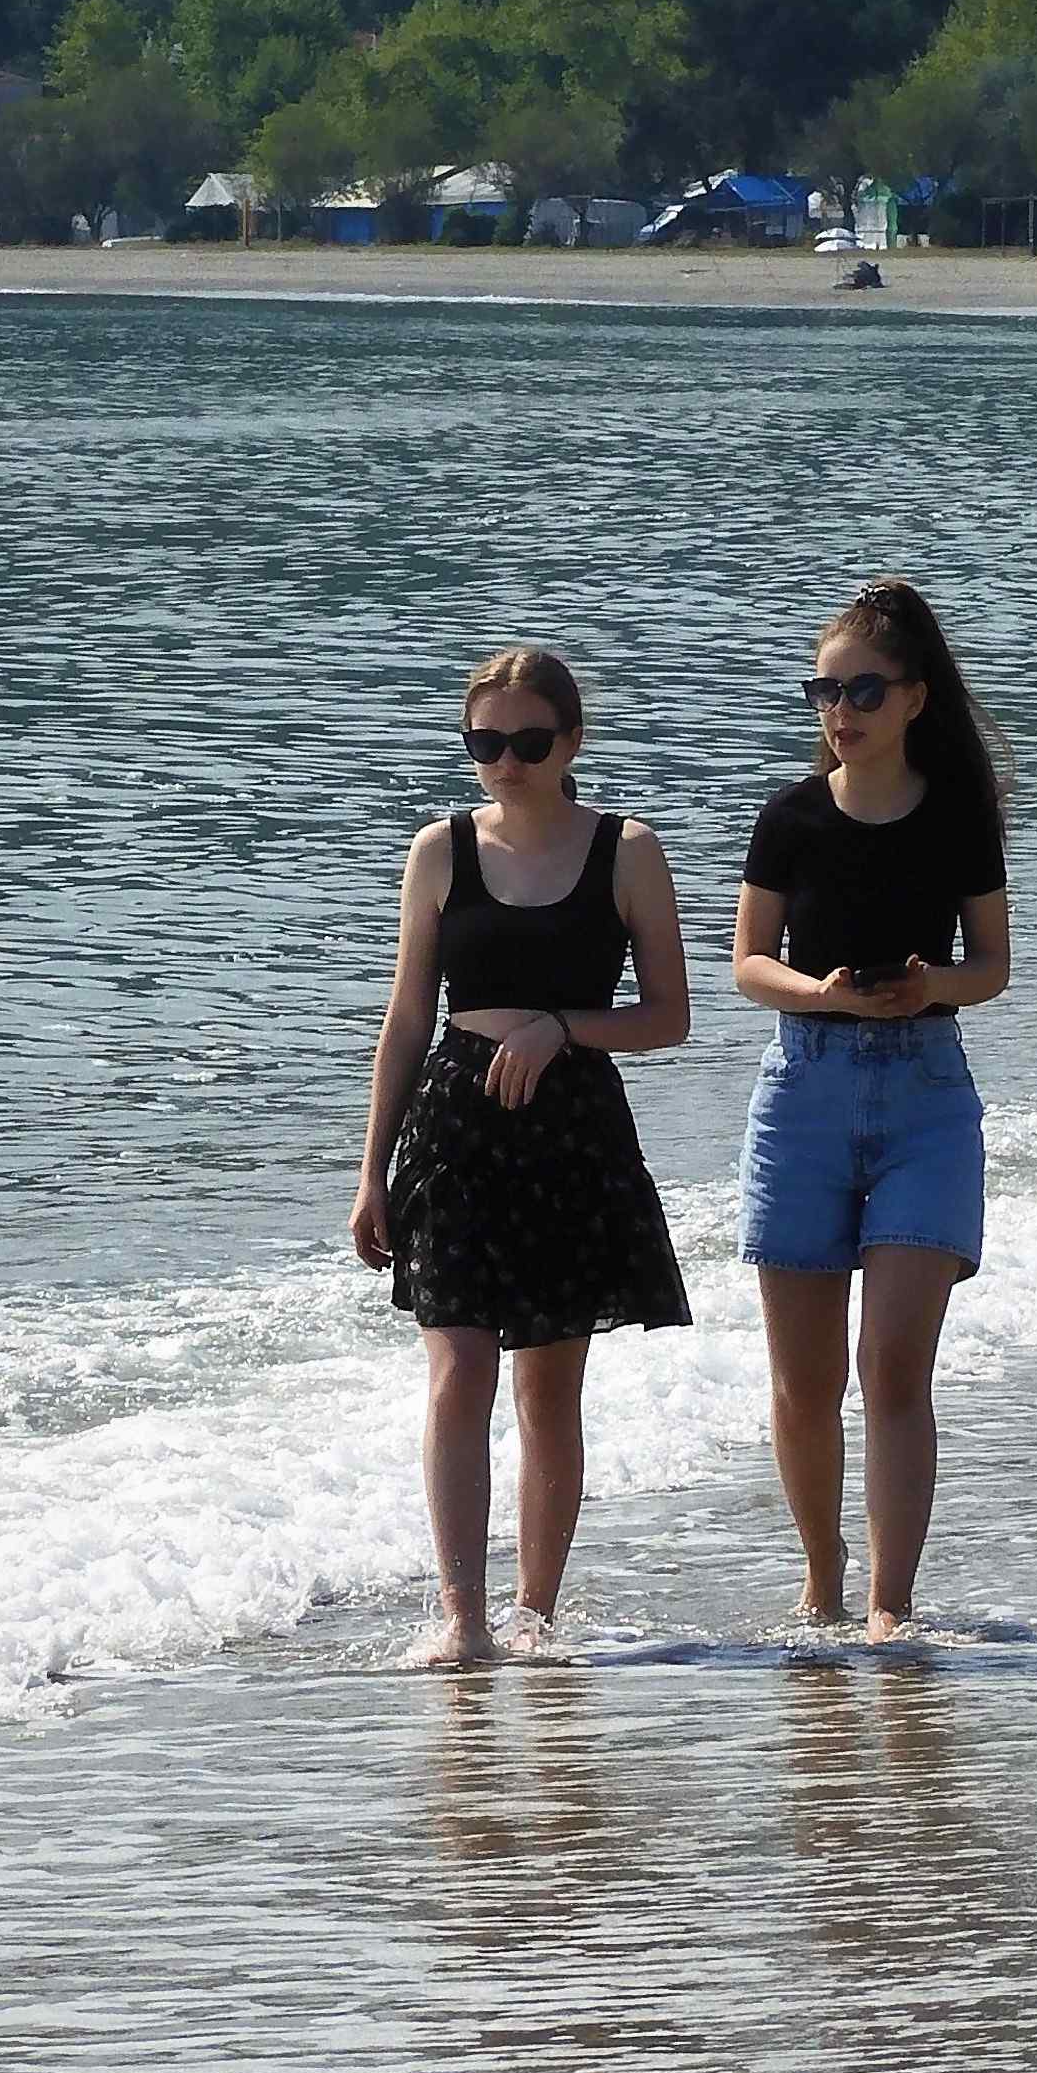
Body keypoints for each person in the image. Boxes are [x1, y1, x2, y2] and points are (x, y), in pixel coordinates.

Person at [354, 646, 691, 1661]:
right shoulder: (440, 850)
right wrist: (370, 1173)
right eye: (486, 743)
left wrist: (560, 1028)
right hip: (454, 1129)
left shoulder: (627, 850)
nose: (506, 762)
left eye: (529, 743)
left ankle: (534, 1618)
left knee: (548, 1388)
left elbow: (668, 1017)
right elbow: (407, 1020)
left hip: (571, 1128)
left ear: (572, 742)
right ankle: (462, 1620)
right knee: (459, 1369)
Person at [731, 578, 1012, 1635]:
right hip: (802, 1091)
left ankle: (891, 1609)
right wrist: (823, 994)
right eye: (824, 690)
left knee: (893, 1369)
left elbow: (992, 967)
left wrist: (931, 983)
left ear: (913, 699)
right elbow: (748, 963)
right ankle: (823, 1579)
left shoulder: (956, 816)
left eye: (861, 690)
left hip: (924, 1098)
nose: (839, 710)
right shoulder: (791, 817)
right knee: (805, 1385)